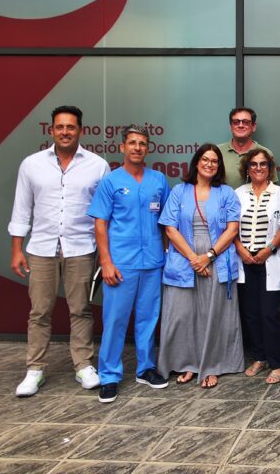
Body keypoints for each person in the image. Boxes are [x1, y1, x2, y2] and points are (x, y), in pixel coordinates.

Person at [9, 105, 110, 397]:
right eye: (60, 127)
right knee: (39, 311)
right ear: (51, 130)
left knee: (81, 310)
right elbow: (21, 209)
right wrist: (17, 249)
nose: (65, 132)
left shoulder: (97, 165)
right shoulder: (31, 164)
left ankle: (83, 365)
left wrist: (105, 253)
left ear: (81, 131)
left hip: (81, 248)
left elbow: (104, 214)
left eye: (71, 127)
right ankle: (35, 369)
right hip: (42, 248)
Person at [87, 125, 171, 403]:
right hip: (121, 263)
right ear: (122, 147)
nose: (137, 148)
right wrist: (106, 262)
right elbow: (100, 224)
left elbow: (166, 222)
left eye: (142, 143)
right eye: (132, 143)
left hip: (152, 262)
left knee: (148, 319)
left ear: (148, 148)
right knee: (115, 320)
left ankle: (145, 369)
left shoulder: (158, 180)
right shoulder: (111, 182)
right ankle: (109, 376)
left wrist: (166, 253)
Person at [158, 143, 243, 389]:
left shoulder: (226, 193)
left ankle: (212, 366)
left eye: (214, 161)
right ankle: (188, 363)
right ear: (197, 162)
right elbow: (170, 228)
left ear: (219, 166)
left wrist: (208, 256)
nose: (209, 164)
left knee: (214, 315)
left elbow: (232, 230)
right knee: (183, 315)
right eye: (205, 159)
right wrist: (194, 259)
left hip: (217, 258)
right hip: (184, 258)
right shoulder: (179, 191)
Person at [234, 148, 280, 384]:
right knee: (251, 313)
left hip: (270, 259)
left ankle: (277, 363)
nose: (258, 168)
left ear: (270, 168)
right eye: (253, 164)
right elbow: (230, 226)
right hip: (245, 260)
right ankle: (259, 357)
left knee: (269, 314)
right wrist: (241, 250)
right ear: (247, 168)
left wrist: (269, 249)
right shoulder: (238, 194)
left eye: (263, 164)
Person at [218, 108, 270, 189]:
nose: (241, 125)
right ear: (231, 126)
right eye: (236, 122)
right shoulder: (217, 152)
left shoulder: (265, 153)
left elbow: (271, 187)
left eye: (246, 122)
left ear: (253, 127)